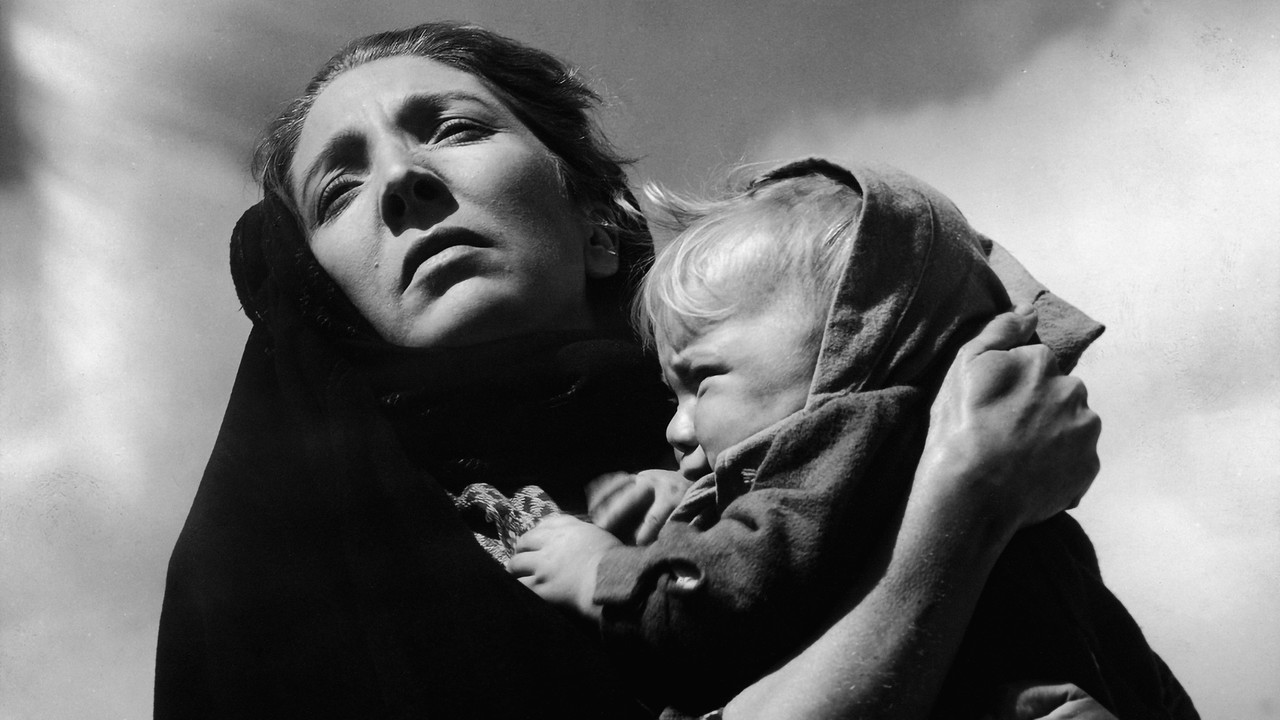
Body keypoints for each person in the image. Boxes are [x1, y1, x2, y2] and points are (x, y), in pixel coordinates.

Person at [155, 22, 1101, 720]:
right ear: (328, 303)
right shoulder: (292, 584)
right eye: (339, 189)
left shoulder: (823, 394)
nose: (403, 182)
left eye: (450, 128)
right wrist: (960, 512)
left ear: (601, 226)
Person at [510, 159, 1196, 720]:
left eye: (704, 381)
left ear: (849, 348)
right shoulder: (917, 458)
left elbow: (727, 605)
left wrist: (598, 571)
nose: (677, 427)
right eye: (672, 394)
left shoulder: (851, 432)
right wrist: (695, 502)